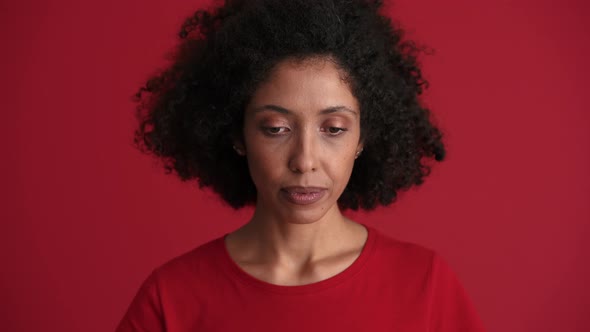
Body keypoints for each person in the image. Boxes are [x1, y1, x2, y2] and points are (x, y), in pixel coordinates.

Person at [116, 0, 486, 331]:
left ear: (362, 138)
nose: (305, 160)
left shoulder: (425, 284)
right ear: (237, 136)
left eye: (334, 129)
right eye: (276, 128)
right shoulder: (171, 298)